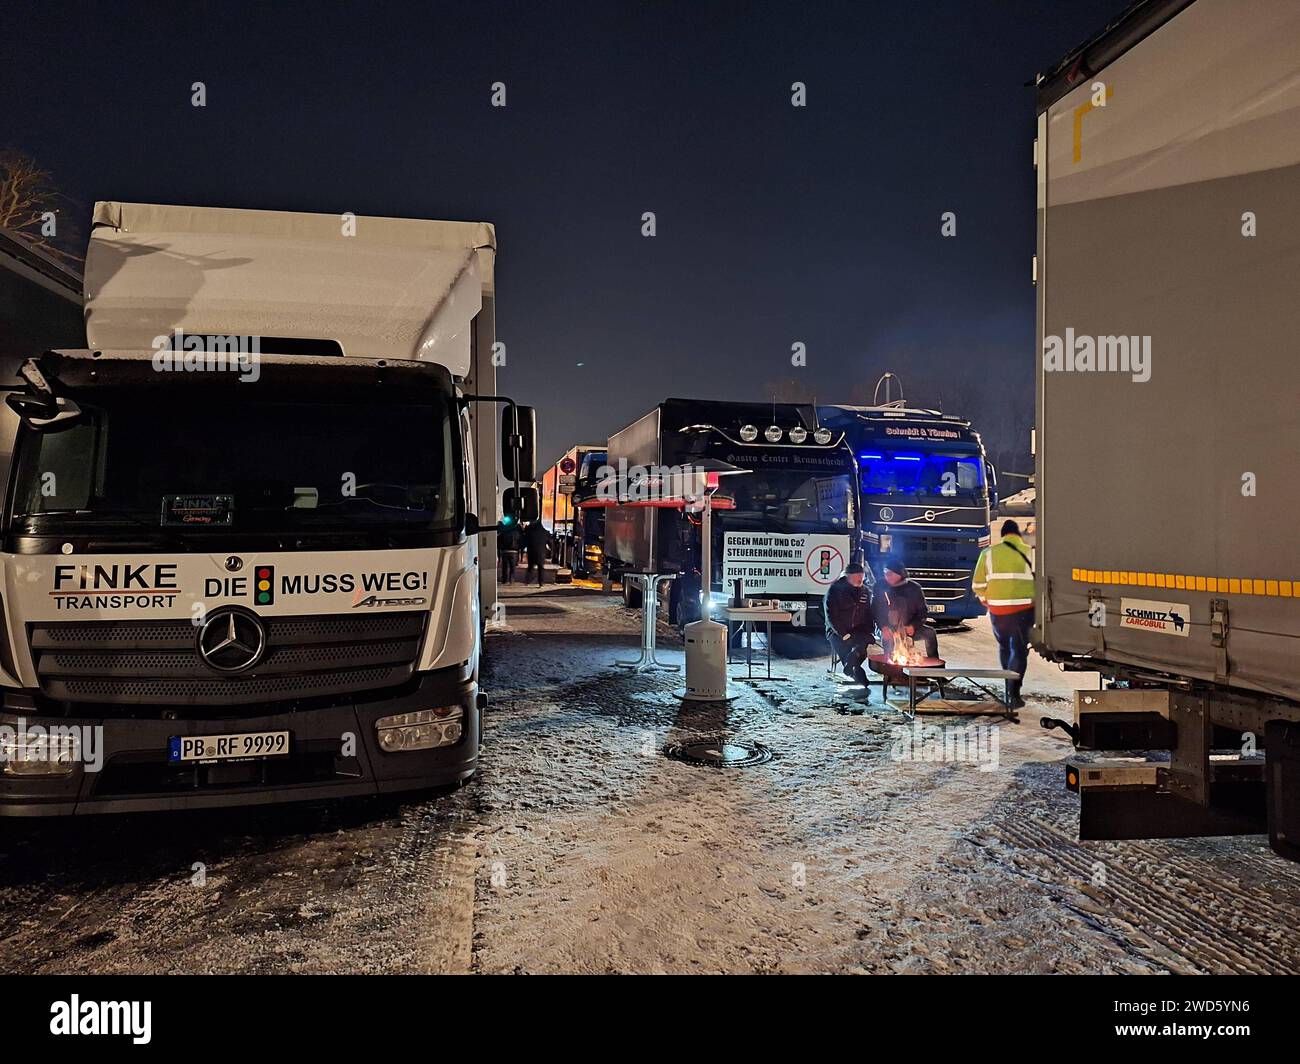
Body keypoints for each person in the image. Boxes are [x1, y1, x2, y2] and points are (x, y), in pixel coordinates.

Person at [973, 519, 1035, 709]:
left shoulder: (988, 553)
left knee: (1004, 647)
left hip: (998, 611)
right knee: (1019, 649)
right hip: (1024, 609)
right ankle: (1014, 693)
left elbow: (978, 585)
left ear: (1003, 536)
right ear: (1018, 535)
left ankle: (1008, 688)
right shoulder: (1030, 552)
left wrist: (988, 601)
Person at [871, 559, 939, 660]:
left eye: (890, 574)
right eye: (886, 573)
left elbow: (922, 612)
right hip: (886, 627)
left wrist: (913, 626)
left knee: (930, 633)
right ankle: (890, 670)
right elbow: (875, 611)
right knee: (889, 639)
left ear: (900, 574)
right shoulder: (880, 586)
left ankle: (935, 667)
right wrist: (883, 627)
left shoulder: (914, 588)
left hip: (908, 626)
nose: (887, 576)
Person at [824, 562, 873, 684]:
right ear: (848, 576)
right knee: (846, 650)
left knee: (861, 647)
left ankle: (851, 666)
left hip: (857, 629)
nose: (859, 580)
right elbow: (831, 616)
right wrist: (843, 634)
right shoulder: (835, 590)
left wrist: (869, 631)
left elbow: (867, 613)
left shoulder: (865, 592)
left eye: (861, 577)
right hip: (837, 631)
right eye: (856, 577)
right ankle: (855, 671)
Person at [523, 520, 552, 587]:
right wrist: (550, 548)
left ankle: (527, 581)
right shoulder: (545, 532)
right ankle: (541, 583)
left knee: (530, 567)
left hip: (531, 552)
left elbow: (525, 541)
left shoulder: (530, 532)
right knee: (541, 568)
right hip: (541, 553)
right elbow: (550, 542)